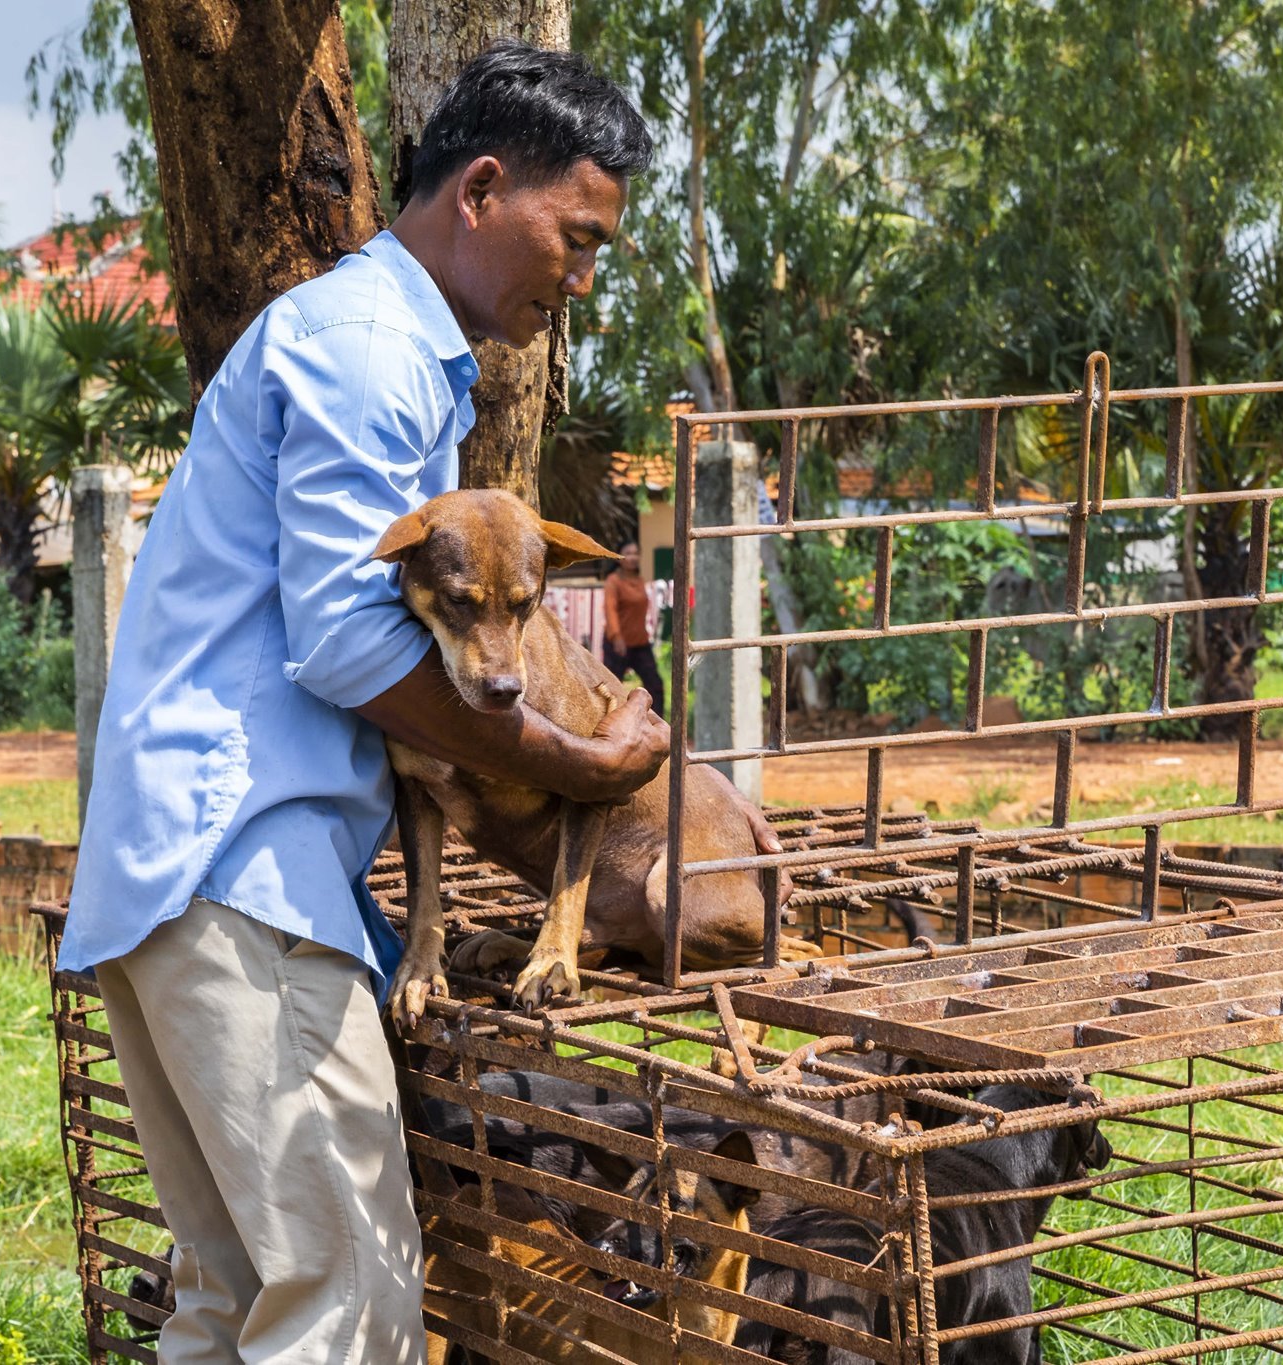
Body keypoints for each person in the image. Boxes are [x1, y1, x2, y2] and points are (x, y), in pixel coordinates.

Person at [59, 43, 776, 1363]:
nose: (586, 274)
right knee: (348, 1308)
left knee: (233, 1304)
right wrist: (571, 758)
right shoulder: (372, 347)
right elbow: (343, 641)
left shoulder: (366, 342)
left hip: (177, 868)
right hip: (245, 877)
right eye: (580, 235)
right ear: (486, 189)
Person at [602, 540, 668, 714]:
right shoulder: (613, 581)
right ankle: (607, 725)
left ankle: (658, 725)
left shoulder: (639, 580)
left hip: (640, 642)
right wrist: (616, 637)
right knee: (611, 688)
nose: (633, 557)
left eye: (636, 553)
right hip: (618, 644)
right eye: (628, 553)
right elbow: (610, 610)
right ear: (619, 558)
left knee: (655, 685)